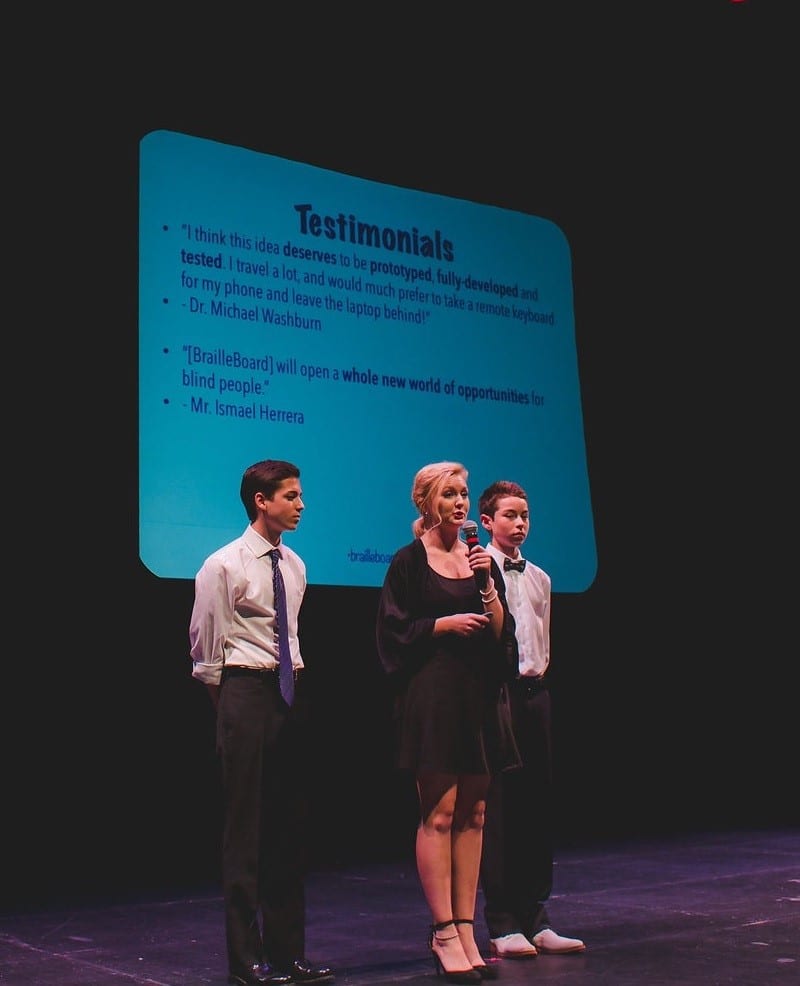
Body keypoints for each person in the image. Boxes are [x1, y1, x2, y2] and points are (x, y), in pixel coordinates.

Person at [189, 459, 335, 986]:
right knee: (246, 831)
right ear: (261, 501)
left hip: (288, 694)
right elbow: (207, 653)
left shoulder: (294, 564)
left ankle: (288, 953)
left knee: (288, 830)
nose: (300, 505)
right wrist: (232, 710)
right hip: (244, 692)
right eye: (291, 496)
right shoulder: (223, 565)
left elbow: (291, 637)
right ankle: (245, 960)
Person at [376, 462, 521, 984]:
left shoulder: (479, 558)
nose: (460, 503)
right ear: (427, 503)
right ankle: (441, 929)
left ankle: (465, 925)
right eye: (449, 495)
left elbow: (502, 630)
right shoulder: (409, 561)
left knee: (475, 813)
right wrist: (441, 624)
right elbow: (392, 632)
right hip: (434, 697)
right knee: (438, 814)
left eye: (463, 494)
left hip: (479, 695)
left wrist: (484, 582)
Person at [477, 480, 586, 959]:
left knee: (536, 806)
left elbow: (543, 641)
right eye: (509, 515)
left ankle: (536, 916)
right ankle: (501, 921)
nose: (519, 523)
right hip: (495, 697)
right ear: (487, 522)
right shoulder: (473, 570)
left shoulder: (539, 577)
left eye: (525, 515)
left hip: (534, 694)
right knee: (499, 809)